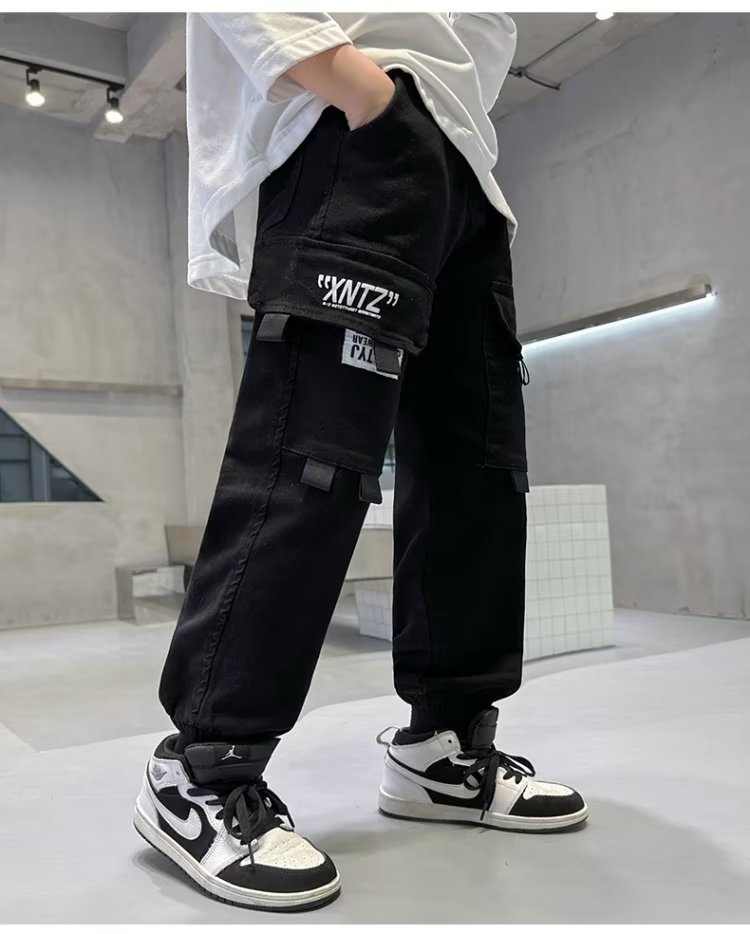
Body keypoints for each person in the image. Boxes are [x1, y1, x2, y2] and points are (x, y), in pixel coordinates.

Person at [133, 12, 587, 912]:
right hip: (358, 132)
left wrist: (443, 147)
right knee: (316, 460)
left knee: (481, 477)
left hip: (467, 173)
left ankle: (442, 749)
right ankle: (204, 769)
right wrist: (362, 91)